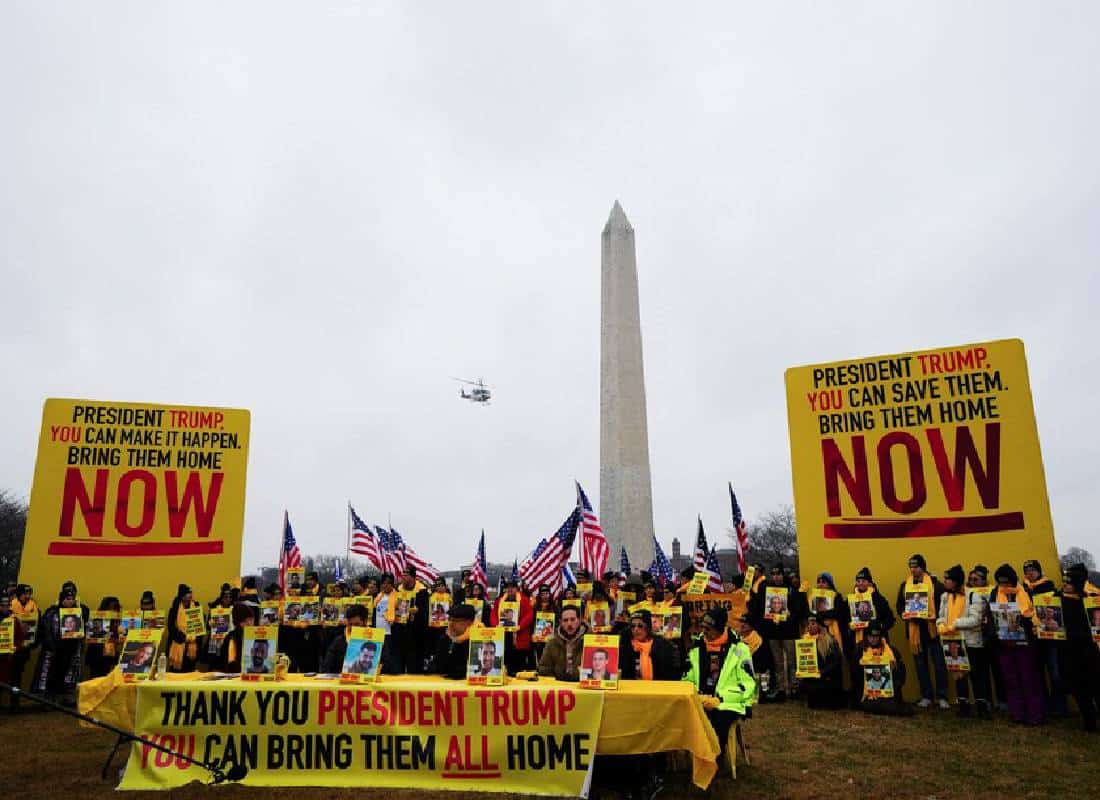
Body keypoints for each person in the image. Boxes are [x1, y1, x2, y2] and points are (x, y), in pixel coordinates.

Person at [682, 608, 756, 764]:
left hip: (728, 701)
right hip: (699, 697)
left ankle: (714, 758)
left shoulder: (740, 649)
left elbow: (748, 685)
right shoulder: (696, 647)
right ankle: (696, 756)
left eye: (708, 628)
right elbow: (687, 677)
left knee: (718, 718)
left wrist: (720, 699)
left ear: (720, 628)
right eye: (702, 627)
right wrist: (695, 695)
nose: (704, 631)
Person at [989, 564, 1043, 725]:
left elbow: (1035, 614)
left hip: (1025, 643)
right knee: (1011, 680)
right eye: (1000, 582)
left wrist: (1024, 622)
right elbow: (991, 614)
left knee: (1029, 680)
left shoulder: (1026, 592)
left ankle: (1035, 714)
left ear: (1013, 580)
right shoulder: (994, 593)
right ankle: (1017, 713)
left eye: (1006, 582)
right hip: (1004, 644)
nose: (1003, 585)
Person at [936, 564, 991, 718]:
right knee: (959, 675)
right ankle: (963, 706)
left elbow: (975, 619)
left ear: (956, 581)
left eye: (948, 579)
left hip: (971, 641)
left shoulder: (973, 595)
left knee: (976, 675)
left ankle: (981, 706)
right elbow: (941, 615)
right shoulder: (945, 597)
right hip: (952, 641)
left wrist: (955, 624)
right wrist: (940, 624)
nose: (945, 582)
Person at [895, 554, 949, 709]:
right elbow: (900, 605)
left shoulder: (935, 584)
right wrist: (904, 614)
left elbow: (943, 605)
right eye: (911, 567)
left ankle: (942, 696)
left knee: (939, 664)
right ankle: (926, 695)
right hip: (915, 632)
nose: (913, 570)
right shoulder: (905, 585)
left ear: (923, 567)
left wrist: (935, 617)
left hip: (932, 630)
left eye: (916, 566)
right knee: (920, 665)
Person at [753, 565, 806, 701]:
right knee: (778, 662)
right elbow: (760, 607)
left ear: (783, 575)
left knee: (792, 661)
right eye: (774, 574)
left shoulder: (791, 589)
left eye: (779, 574)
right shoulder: (767, 589)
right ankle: (781, 688)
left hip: (789, 631)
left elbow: (799, 609)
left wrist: (790, 615)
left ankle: (795, 687)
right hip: (773, 631)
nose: (776, 576)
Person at [1021, 559, 1066, 716]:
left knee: (1055, 673)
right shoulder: (1023, 589)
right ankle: (1044, 705)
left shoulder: (1050, 587)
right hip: (1033, 637)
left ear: (1039, 571)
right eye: (1026, 570)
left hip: (1051, 638)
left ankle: (1060, 706)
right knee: (1038, 673)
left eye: (1032, 569)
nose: (1030, 573)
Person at [1059, 563, 1100, 731]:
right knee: (1077, 687)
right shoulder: (1058, 600)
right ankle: (1088, 719)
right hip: (1069, 651)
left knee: (1096, 686)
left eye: (1068, 583)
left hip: (1089, 651)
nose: (1064, 585)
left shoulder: (1090, 601)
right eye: (1064, 582)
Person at [31, 588, 86, 705]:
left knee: (64, 675)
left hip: (69, 650)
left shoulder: (77, 613)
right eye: (67, 599)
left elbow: (81, 630)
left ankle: (59, 699)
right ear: (61, 600)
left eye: (72, 599)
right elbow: (45, 629)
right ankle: (47, 699)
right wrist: (50, 644)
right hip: (54, 650)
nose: (70, 601)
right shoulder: (52, 612)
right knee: (50, 675)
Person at [852, 620, 911, 716]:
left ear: (880, 637)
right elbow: (854, 675)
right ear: (866, 636)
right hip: (868, 693)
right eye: (870, 636)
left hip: (887, 692)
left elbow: (902, 675)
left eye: (876, 637)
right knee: (869, 705)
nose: (873, 639)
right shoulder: (859, 649)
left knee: (892, 707)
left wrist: (894, 669)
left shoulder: (891, 650)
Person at [800, 613, 845, 709]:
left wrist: (821, 672)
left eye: (813, 624)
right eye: (808, 624)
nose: (809, 626)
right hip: (814, 677)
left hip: (828, 677)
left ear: (819, 626)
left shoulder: (830, 640)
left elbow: (836, 662)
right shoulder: (804, 640)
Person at [491, 579, 534, 675]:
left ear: (517, 589)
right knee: (505, 659)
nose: (510, 589)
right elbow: (493, 614)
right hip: (504, 635)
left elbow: (529, 615)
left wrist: (520, 626)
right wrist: (496, 625)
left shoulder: (524, 600)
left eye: (513, 587)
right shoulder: (499, 601)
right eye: (508, 587)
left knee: (519, 662)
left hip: (519, 635)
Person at [619, 609, 677, 680]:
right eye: (633, 626)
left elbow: (670, 674)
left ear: (648, 627)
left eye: (640, 626)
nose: (636, 629)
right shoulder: (626, 648)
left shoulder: (663, 646)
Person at [8, 584, 39, 711]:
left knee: (18, 675)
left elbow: (37, 624)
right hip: (10, 645)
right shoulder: (11, 604)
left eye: (29, 593)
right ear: (19, 594)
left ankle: (15, 703)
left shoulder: (33, 605)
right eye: (25, 593)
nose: (27, 596)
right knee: (9, 675)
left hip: (25, 646)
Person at [538, 605, 588, 681]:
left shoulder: (590, 641)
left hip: (583, 687)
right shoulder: (552, 642)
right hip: (559, 687)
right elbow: (543, 669)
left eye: (572, 619)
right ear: (560, 622)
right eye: (565, 620)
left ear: (579, 620)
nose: (569, 624)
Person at [428, 604, 478, 680]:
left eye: (455, 621)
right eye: (450, 619)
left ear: (469, 623)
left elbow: (474, 669)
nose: (451, 623)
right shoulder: (445, 639)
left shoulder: (478, 641)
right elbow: (436, 667)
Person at [321, 603, 369, 674]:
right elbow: (326, 666)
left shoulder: (377, 640)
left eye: (356, 624)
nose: (353, 628)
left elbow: (385, 665)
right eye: (350, 624)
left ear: (365, 622)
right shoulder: (339, 641)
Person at [166, 584, 200, 673]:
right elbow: (171, 628)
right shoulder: (174, 609)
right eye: (187, 594)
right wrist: (184, 637)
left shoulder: (195, 607)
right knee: (176, 674)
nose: (190, 596)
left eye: (190, 593)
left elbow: (199, 626)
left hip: (191, 647)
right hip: (178, 644)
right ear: (182, 596)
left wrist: (194, 638)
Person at [218, 603, 259, 673]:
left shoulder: (257, 635)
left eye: (251, 619)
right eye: (244, 621)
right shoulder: (232, 637)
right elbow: (230, 663)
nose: (249, 623)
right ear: (237, 622)